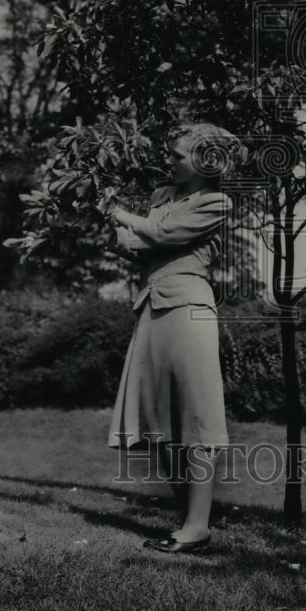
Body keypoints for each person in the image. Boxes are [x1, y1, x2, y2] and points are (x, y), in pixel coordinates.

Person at [104, 122, 238, 554]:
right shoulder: (163, 197)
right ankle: (188, 521)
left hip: (188, 309)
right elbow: (134, 245)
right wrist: (119, 225)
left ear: (206, 160)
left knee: (197, 418)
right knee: (157, 420)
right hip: (152, 307)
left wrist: (121, 214)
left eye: (178, 156)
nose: (170, 162)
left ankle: (197, 526)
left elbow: (160, 234)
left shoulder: (217, 201)